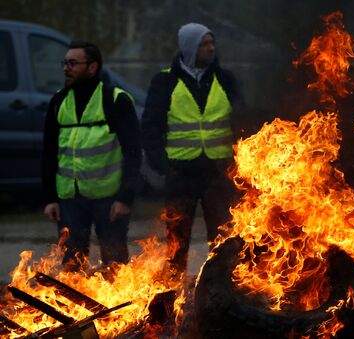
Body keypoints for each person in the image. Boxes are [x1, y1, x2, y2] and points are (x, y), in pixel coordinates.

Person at [141, 23, 244, 276]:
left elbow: (243, 122)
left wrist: (240, 163)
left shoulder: (224, 79)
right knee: (177, 240)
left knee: (223, 238)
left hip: (218, 174)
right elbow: (151, 126)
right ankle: (174, 295)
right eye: (203, 44)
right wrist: (162, 165)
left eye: (212, 43)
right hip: (181, 174)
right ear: (189, 47)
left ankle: (223, 288)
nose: (210, 48)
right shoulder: (165, 81)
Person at [42, 41, 141, 272]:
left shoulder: (116, 100)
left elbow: (134, 153)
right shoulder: (58, 101)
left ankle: (119, 308)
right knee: (71, 265)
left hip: (109, 199)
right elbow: (48, 152)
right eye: (64, 63)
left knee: (115, 265)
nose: (66, 68)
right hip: (69, 199)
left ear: (92, 67)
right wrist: (50, 198)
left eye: (73, 63)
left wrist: (125, 198)